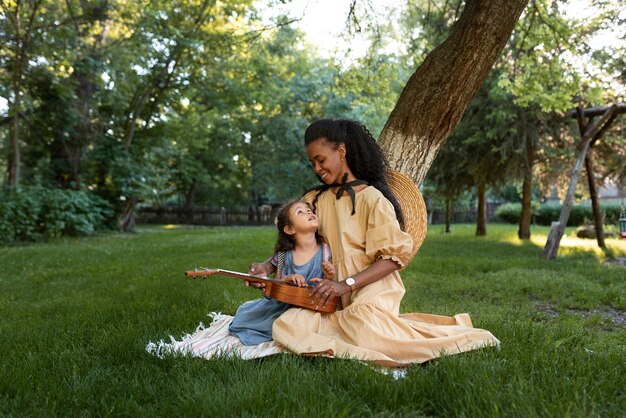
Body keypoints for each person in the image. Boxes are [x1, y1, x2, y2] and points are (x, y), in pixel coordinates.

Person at [250, 118, 500, 367]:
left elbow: (393, 259)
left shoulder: (372, 199)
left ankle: (443, 342)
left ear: (341, 151)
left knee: (362, 324)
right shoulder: (314, 200)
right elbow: (291, 242)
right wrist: (265, 269)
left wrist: (346, 285)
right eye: (312, 162)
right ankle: (345, 337)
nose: (317, 168)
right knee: (287, 323)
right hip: (327, 290)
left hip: (369, 288)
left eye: (321, 160)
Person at [229, 200, 335, 345]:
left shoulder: (326, 250)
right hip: (283, 307)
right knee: (247, 321)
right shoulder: (283, 255)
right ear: (290, 229)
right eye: (300, 212)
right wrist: (288, 279)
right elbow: (277, 286)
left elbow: (329, 285)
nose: (309, 212)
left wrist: (329, 276)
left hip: (311, 307)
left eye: (309, 210)